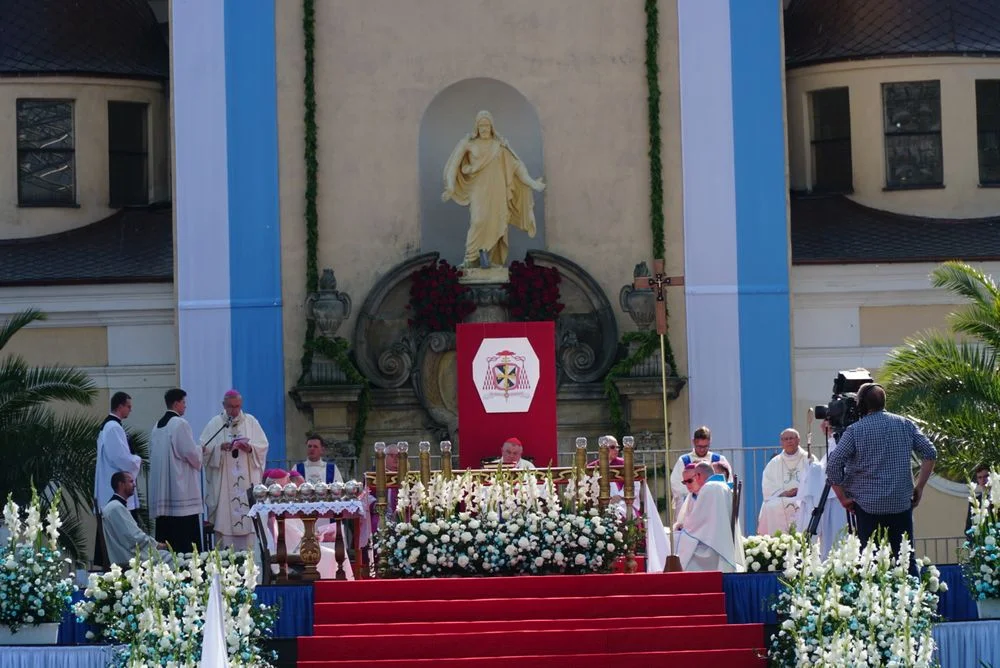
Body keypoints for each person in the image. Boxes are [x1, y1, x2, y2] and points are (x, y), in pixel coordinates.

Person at [826, 383, 936, 573]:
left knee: (869, 561)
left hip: (867, 506)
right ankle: (914, 600)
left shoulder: (854, 430)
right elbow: (930, 453)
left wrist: (843, 497)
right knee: (905, 559)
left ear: (861, 405)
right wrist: (919, 487)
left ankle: (872, 601)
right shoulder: (905, 424)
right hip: (901, 503)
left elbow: (833, 464)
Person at [442, 110, 545, 267]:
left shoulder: (499, 146)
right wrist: (450, 186)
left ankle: (489, 262)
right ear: (476, 127)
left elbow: (516, 166)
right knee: (478, 221)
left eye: (486, 125)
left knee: (498, 222)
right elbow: (453, 167)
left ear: (491, 126)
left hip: (497, 190)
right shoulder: (468, 143)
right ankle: (470, 259)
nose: (484, 128)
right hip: (478, 189)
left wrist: (532, 183)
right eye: (481, 125)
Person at [200, 390, 269, 550]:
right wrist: (219, 448)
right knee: (225, 525)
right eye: (230, 407)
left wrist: (250, 447)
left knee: (249, 525)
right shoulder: (215, 424)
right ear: (224, 405)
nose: (234, 410)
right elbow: (203, 449)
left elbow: (263, 446)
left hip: (247, 482)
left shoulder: (251, 422)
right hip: (224, 488)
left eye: (237, 406)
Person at [149, 388, 203, 552]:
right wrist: (201, 450)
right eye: (184, 402)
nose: (185, 406)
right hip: (181, 495)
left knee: (167, 540)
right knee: (185, 545)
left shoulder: (157, 426)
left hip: (164, 495)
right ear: (176, 403)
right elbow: (189, 453)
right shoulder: (180, 424)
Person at [94, 392, 141, 568]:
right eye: (128, 406)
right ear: (119, 406)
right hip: (115, 486)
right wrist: (136, 460)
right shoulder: (113, 427)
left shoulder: (110, 426)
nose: (130, 409)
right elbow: (120, 457)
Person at [674, 462, 745, 572]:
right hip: (725, 541)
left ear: (698, 475)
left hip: (713, 547)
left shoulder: (708, 488)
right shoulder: (724, 486)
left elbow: (697, 522)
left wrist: (683, 529)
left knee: (681, 544)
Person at [796, 420, 848, 558]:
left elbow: (832, 468)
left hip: (838, 497)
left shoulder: (840, 441)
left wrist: (814, 467)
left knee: (838, 532)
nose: (823, 426)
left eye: (827, 422)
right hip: (831, 495)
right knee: (830, 535)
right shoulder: (832, 442)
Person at [102, 471, 168, 567]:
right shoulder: (116, 508)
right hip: (128, 557)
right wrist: (156, 544)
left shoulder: (114, 506)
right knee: (170, 558)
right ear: (121, 484)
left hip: (125, 554)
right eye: (131, 481)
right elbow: (133, 537)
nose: (134, 485)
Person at [757, 429, 816, 535]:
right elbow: (767, 484)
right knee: (771, 506)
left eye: (791, 438)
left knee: (807, 505)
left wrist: (802, 490)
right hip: (782, 497)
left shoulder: (809, 458)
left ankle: (807, 541)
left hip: (804, 497)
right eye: (786, 439)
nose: (789, 441)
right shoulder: (774, 462)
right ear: (781, 443)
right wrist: (785, 493)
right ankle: (777, 543)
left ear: (798, 440)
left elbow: (816, 478)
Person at [670, 426, 729, 516]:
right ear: (693, 442)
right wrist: (696, 492)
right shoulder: (684, 461)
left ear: (710, 441)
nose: (702, 449)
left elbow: (728, 482)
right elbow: (676, 484)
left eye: (706, 446)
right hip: (689, 504)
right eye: (699, 446)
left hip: (713, 505)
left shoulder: (719, 460)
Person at [967, 465, 991, 534]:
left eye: (986, 476)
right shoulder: (974, 501)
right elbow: (968, 526)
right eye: (980, 477)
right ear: (977, 480)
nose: (983, 480)